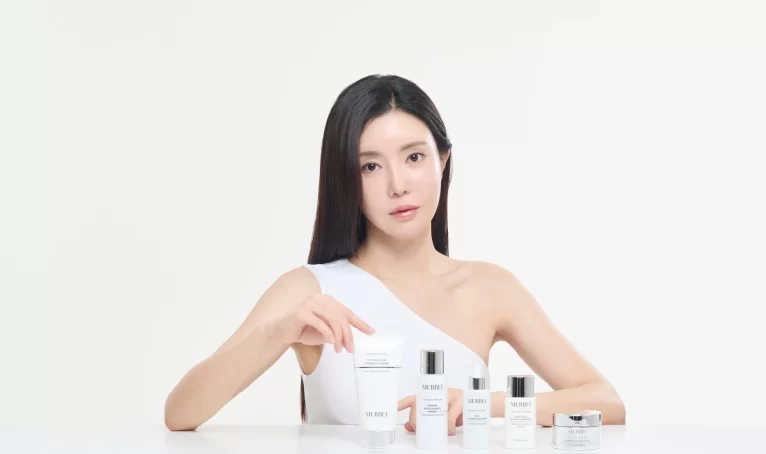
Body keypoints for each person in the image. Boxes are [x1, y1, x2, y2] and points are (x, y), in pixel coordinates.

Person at [164, 74, 626, 433]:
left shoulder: (490, 288)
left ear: (442, 160)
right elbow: (180, 413)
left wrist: (482, 405)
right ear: (345, 179)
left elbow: (605, 402)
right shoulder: (309, 291)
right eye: (370, 166)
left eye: (414, 157)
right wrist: (277, 333)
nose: (397, 185)